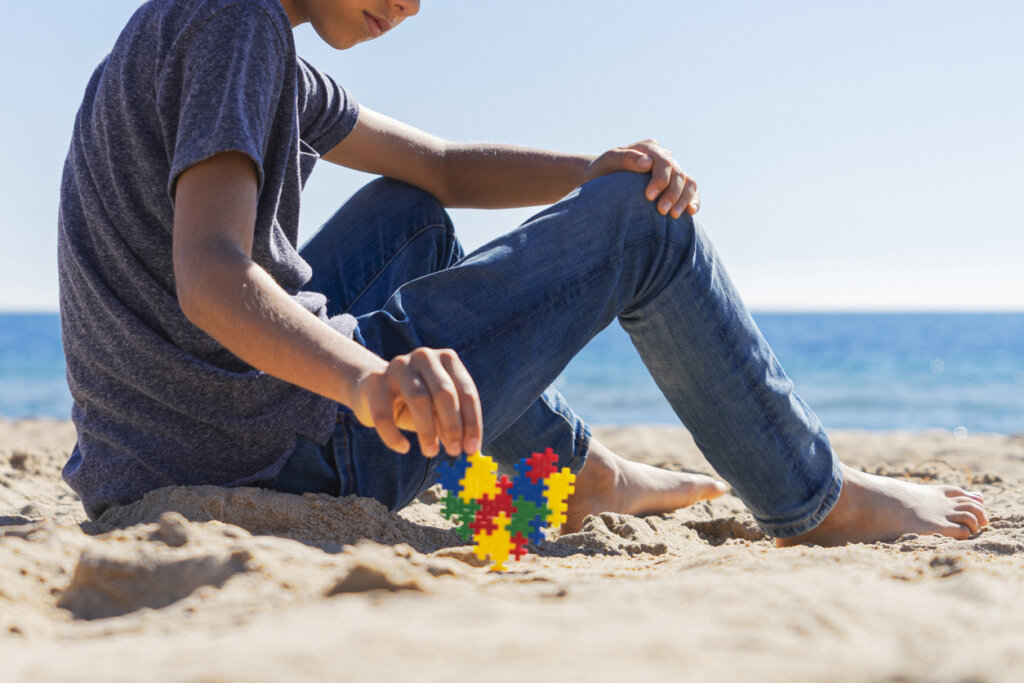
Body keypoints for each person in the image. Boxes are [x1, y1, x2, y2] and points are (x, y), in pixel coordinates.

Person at [58, 0, 988, 547]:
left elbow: (446, 168)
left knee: (408, 215)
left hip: (158, 452)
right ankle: (813, 497)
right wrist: (367, 379)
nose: (415, 6)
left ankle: (574, 473)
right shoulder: (241, 28)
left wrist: (593, 169)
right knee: (643, 227)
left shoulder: (204, 29)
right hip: (273, 448)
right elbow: (211, 274)